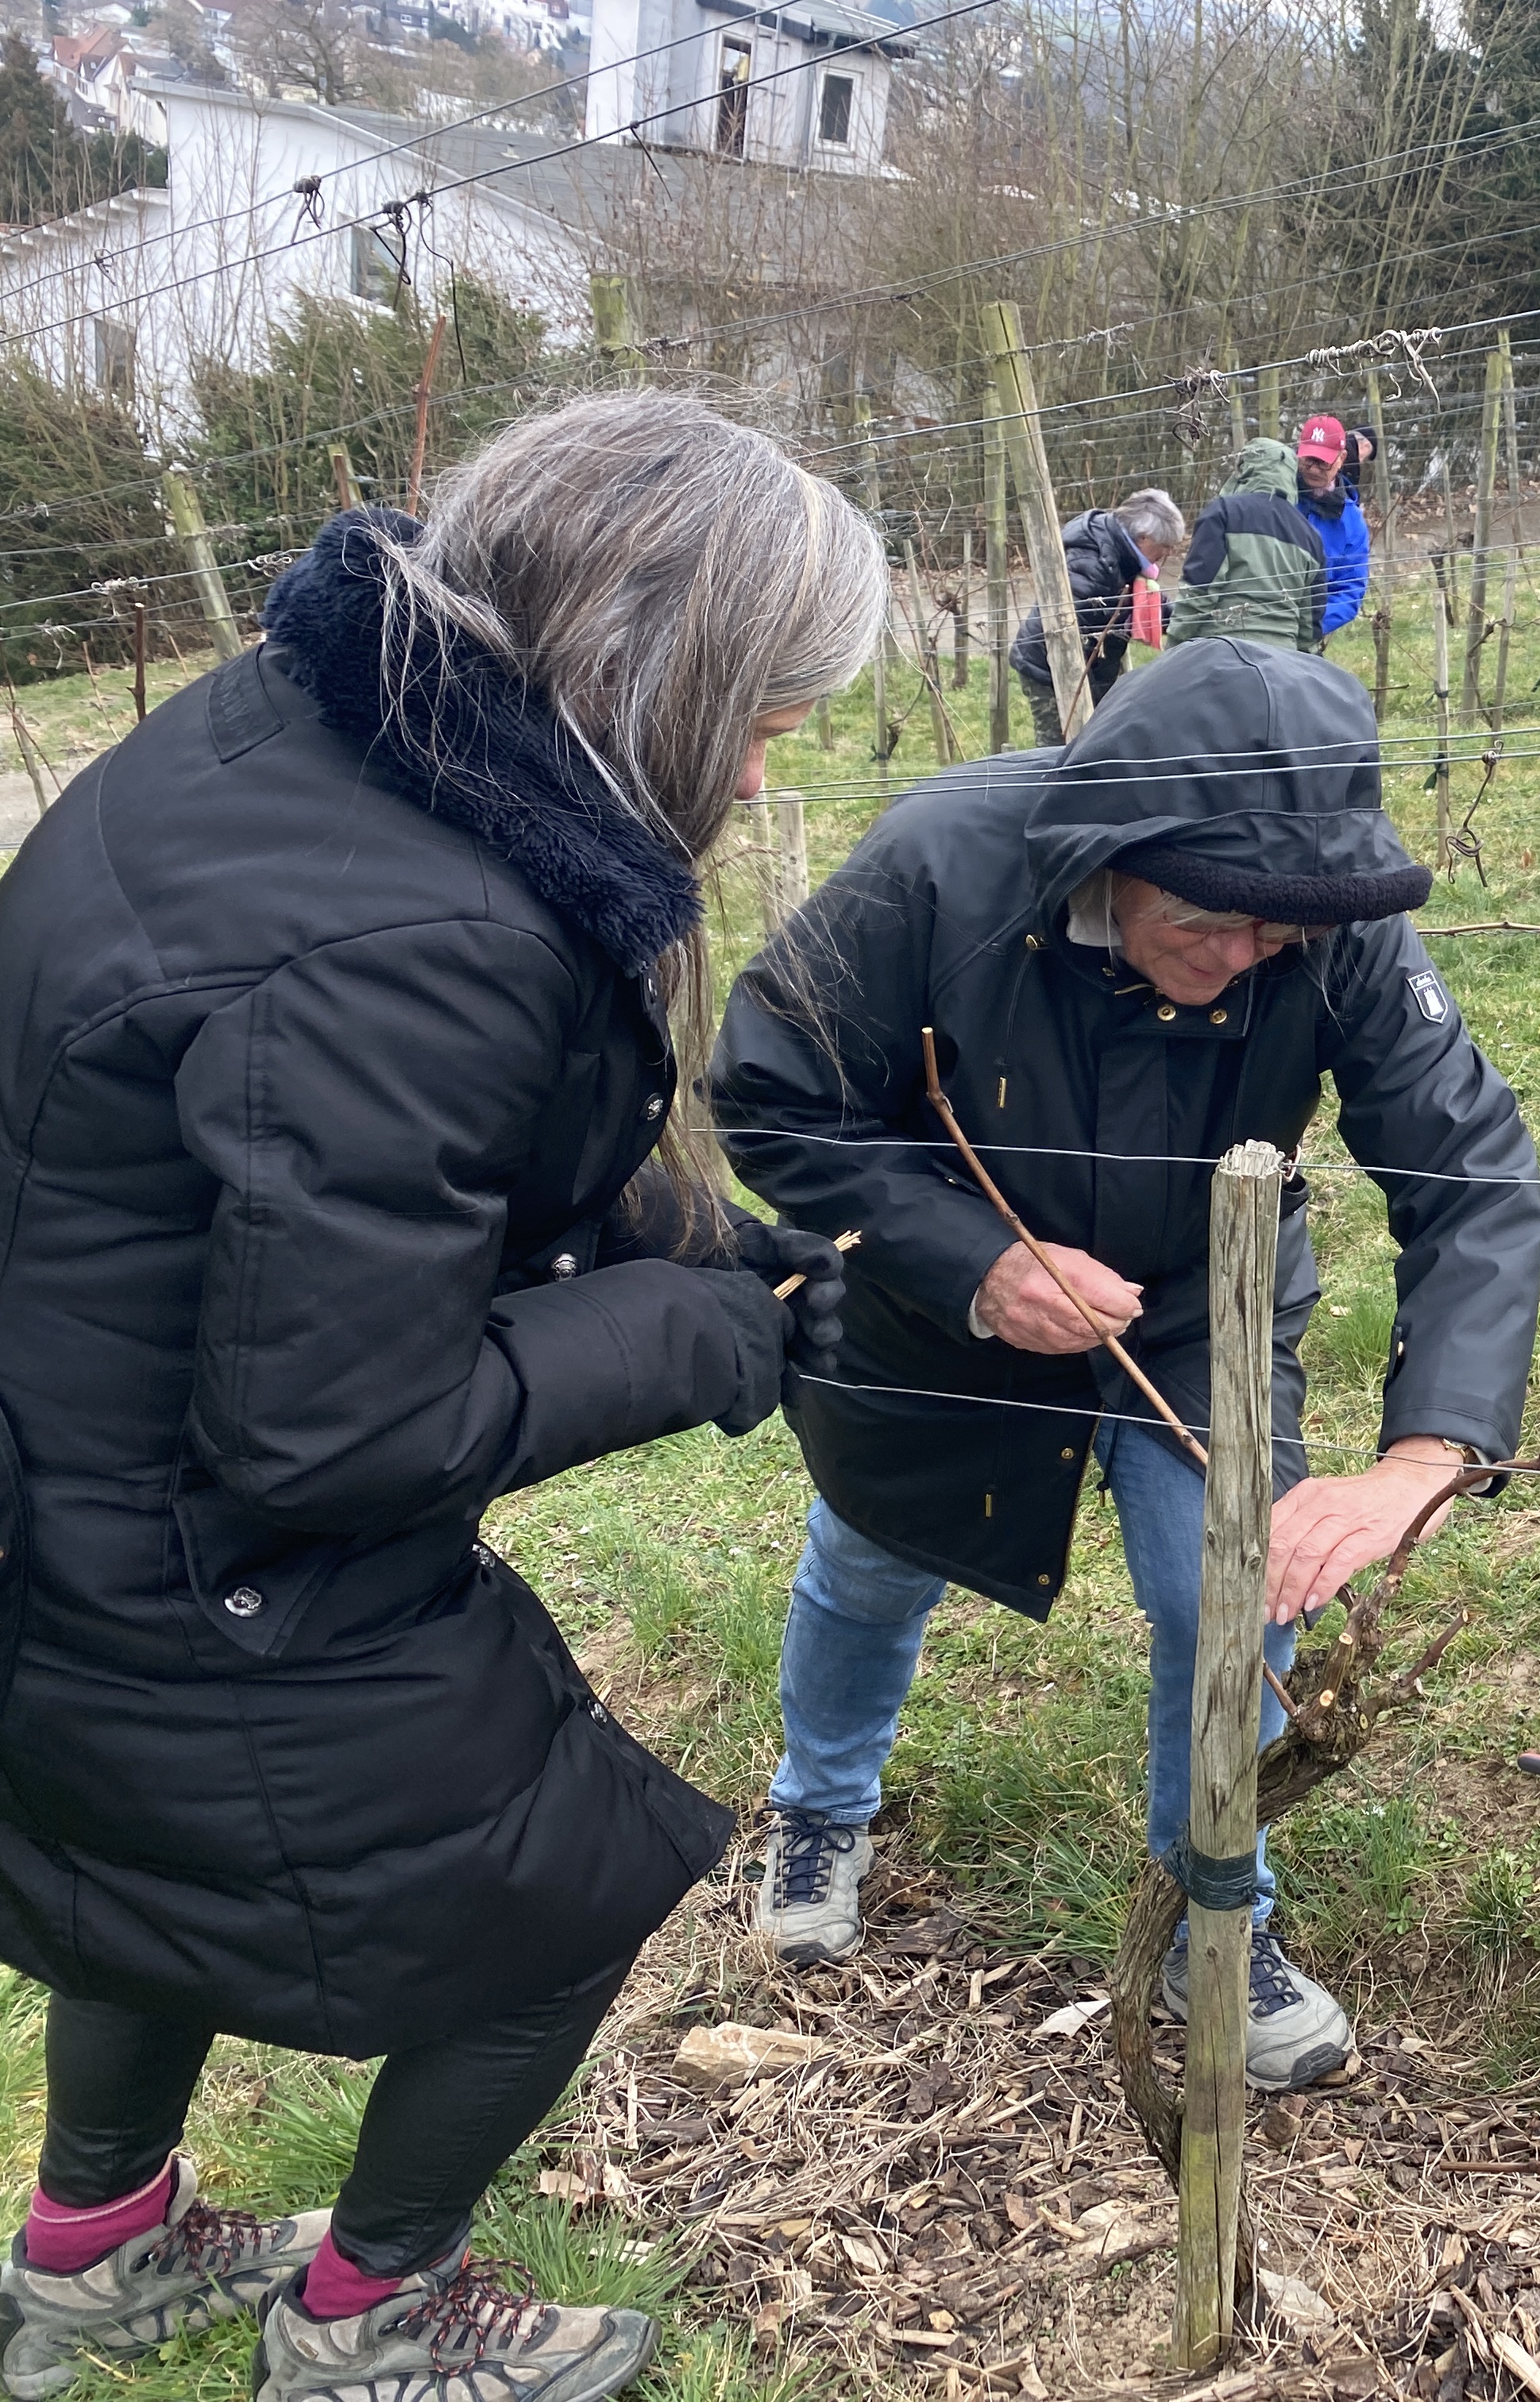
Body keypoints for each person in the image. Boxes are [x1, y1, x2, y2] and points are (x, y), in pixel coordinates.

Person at [0, 393, 878, 2402]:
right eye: (760, 720)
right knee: (565, 1886)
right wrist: (705, 1339)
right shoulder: (432, 933)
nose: (761, 773)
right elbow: (338, 1431)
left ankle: (93, 2255)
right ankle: (370, 2317)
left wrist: (696, 1237)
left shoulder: (307, 735)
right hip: (202, 1570)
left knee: (142, 1878)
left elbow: (362, 1177)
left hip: (61, 1494)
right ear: (654, 674)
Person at [710, 637, 1540, 2094]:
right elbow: (773, 1094)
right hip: (943, 1290)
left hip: (1205, 1295)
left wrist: (1430, 1449)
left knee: (1232, 1587)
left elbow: (1470, 1175)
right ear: (1112, 854)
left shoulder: (1324, 921)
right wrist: (973, 1263)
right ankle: (819, 1808)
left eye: (1275, 936)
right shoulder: (938, 865)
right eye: (1208, 919)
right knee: (877, 1549)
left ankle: (1216, 1908)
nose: (1240, 960)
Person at [1010, 487, 1187, 744]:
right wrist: (1095, 704)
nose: (1168, 553)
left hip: (1086, 665)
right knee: (1060, 748)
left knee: (1091, 741)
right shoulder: (1095, 566)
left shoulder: (1124, 555)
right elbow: (1072, 641)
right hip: (1048, 668)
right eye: (1166, 546)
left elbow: (1144, 601)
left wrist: (1186, 620)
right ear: (1143, 538)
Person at [1167, 438, 1327, 653]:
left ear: (1246, 468)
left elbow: (1200, 591)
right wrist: (1308, 660)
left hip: (1222, 649)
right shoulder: (1311, 537)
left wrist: (1174, 645)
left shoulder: (1223, 513)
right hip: (1283, 655)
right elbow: (1310, 621)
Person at [1294, 415, 1370, 642]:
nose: (1314, 470)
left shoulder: (1352, 524)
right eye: (1308, 460)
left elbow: (1350, 592)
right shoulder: (1277, 497)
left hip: (1306, 634)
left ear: (1341, 459)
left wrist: (1308, 626)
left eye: (1323, 462)